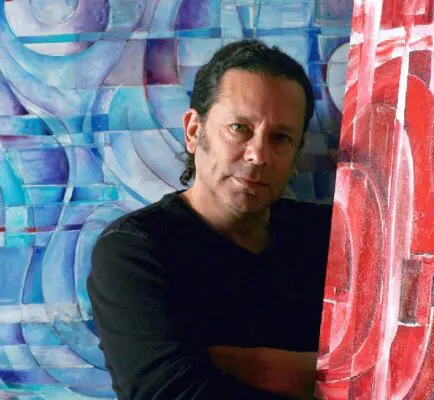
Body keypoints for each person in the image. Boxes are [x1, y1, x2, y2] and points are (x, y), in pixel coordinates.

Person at [87, 39, 333, 399]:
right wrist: (323, 374)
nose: (258, 155)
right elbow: (171, 394)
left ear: (296, 154)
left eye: (280, 138)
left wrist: (277, 370)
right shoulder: (133, 251)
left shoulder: (333, 236)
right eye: (239, 128)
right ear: (193, 131)